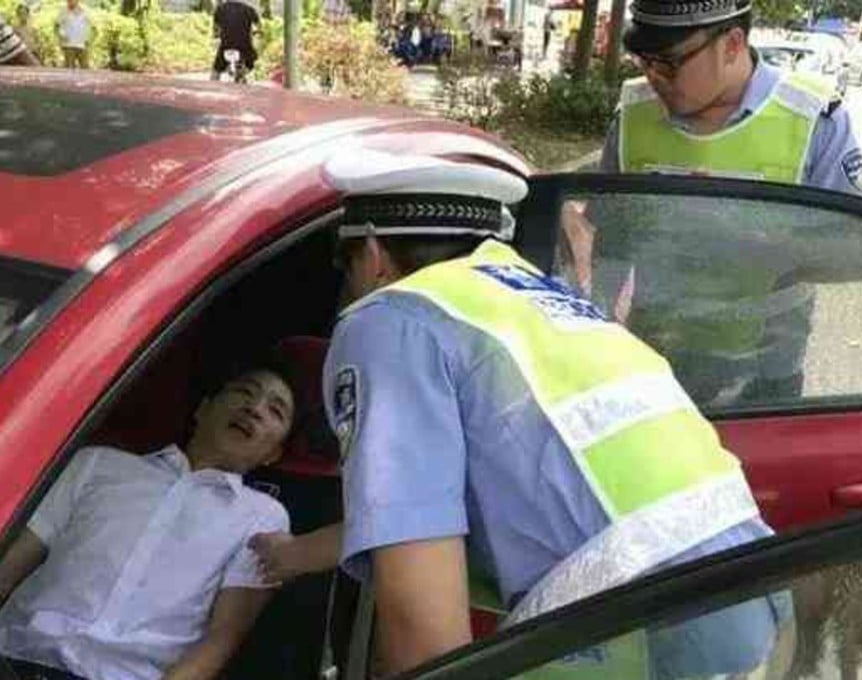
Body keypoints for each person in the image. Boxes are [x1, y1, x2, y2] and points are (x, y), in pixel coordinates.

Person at [251, 150, 786, 678]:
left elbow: (423, 627)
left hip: (635, 630)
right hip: (755, 599)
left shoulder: (391, 321)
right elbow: (416, 509)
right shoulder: (540, 300)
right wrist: (294, 555)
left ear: (371, 254)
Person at [564, 0, 862, 407]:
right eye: (644, 61)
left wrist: (758, 244)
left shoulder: (814, 120)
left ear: (732, 43)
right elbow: (610, 237)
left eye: (669, 63)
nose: (653, 77)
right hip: (654, 364)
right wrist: (601, 329)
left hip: (763, 379)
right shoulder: (632, 113)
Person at [0, 355, 300, 680]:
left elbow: (220, 641)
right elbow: (10, 566)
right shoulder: (96, 463)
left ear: (273, 454)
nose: (254, 409)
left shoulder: (262, 517)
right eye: (245, 392)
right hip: (16, 655)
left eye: (275, 411)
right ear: (203, 409)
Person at [211, 0, 260, 82]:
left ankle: (212, 84)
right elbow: (258, 26)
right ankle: (247, 76)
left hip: (226, 44)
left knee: (216, 69)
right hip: (244, 44)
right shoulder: (249, 9)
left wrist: (216, 34)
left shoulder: (220, 8)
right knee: (251, 64)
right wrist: (256, 32)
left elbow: (216, 27)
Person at [55, 0, 89, 69]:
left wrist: (89, 39)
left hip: (82, 45)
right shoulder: (63, 12)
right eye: (68, 1)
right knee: (69, 68)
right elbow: (56, 26)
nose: (69, 2)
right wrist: (61, 36)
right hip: (68, 45)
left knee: (85, 68)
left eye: (71, 1)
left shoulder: (84, 11)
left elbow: (91, 26)